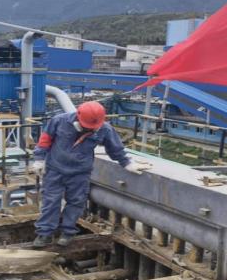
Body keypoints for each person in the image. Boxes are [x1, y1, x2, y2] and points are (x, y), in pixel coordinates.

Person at [31, 101, 150, 248]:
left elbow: (115, 149)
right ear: (78, 117)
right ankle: (45, 233)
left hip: (80, 173)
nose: (90, 129)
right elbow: (45, 140)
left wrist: (127, 163)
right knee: (51, 201)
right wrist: (39, 159)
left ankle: (67, 232)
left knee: (76, 202)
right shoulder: (59, 121)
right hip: (55, 169)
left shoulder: (104, 129)